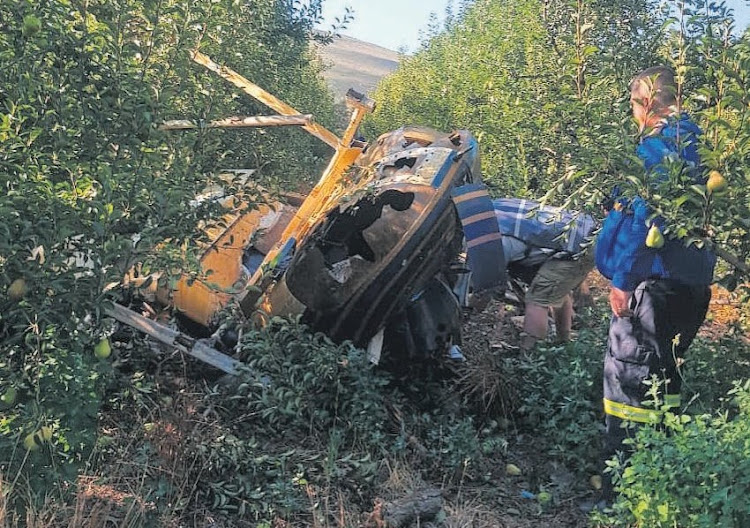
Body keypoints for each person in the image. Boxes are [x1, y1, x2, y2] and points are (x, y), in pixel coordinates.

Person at [589, 65, 716, 509]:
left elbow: (647, 219)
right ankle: (657, 485)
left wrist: (624, 281)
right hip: (690, 285)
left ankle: (618, 499)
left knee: (630, 382)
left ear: (648, 104)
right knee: (664, 382)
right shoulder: (702, 145)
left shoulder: (661, 147)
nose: (632, 115)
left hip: (653, 286)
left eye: (632, 106)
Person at [489, 197, 596, 350]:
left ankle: (530, 355)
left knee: (537, 300)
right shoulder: (497, 207)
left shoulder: (495, 240)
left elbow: (488, 284)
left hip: (577, 246)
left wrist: (473, 304)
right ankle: (563, 342)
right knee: (556, 290)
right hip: (586, 231)